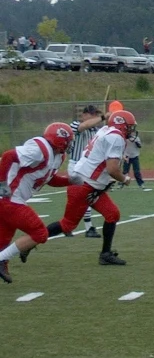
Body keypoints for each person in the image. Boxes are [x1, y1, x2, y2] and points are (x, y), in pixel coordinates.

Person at [40, 110, 138, 266]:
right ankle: (30, 241)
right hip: (84, 185)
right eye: (129, 127)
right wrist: (124, 179)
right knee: (67, 225)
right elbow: (112, 169)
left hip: (90, 184)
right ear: (122, 126)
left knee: (112, 214)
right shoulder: (116, 137)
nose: (131, 130)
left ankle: (105, 254)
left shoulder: (106, 130)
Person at [0, 123, 77, 283]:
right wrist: (2, 183)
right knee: (40, 233)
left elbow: (49, 179)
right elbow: (8, 156)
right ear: (60, 140)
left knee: (3, 240)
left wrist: (70, 181)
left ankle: (3, 259)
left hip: (13, 199)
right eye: (68, 141)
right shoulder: (39, 149)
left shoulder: (57, 156)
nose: (70, 145)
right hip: (10, 198)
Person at [68, 104, 106, 238]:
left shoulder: (96, 130)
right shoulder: (75, 125)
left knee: (79, 198)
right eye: (92, 114)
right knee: (84, 196)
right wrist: (102, 117)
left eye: (96, 114)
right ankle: (88, 227)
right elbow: (83, 126)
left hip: (87, 167)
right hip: (76, 165)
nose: (95, 117)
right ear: (84, 115)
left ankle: (67, 225)